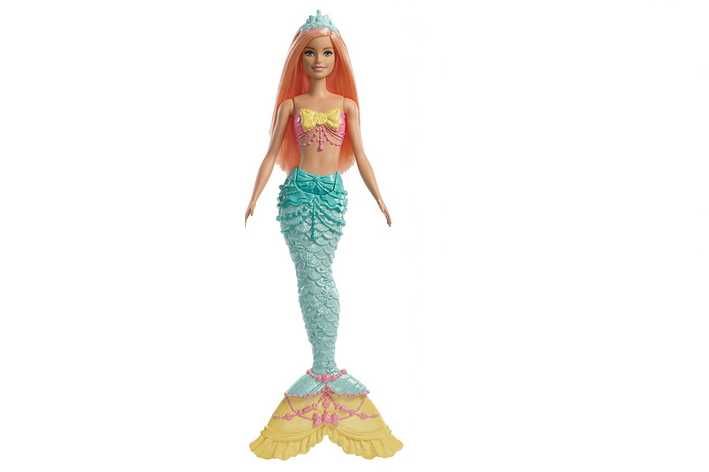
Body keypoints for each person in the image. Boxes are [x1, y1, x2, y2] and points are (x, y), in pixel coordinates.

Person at [244, 10, 402, 459]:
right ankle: (323, 366)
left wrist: (380, 198)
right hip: (297, 197)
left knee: (322, 275)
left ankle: (325, 366)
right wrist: (253, 197)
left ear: (337, 59)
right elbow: (270, 154)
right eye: (311, 53)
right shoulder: (291, 106)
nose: (319, 60)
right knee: (310, 274)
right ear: (300, 58)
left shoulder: (346, 106)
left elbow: (362, 156)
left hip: (332, 198)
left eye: (327, 53)